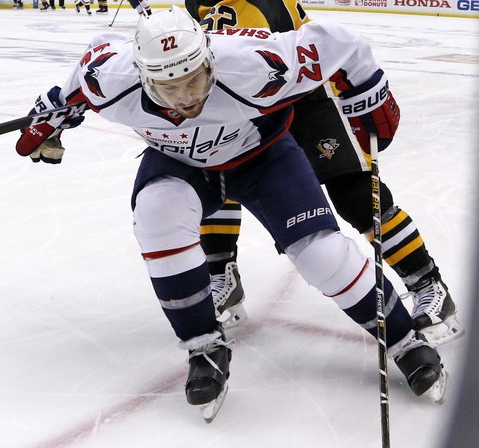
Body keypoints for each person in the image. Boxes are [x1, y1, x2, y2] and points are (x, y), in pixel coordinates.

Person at [15, 7, 447, 419]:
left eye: (195, 79)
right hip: (182, 161)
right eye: (170, 87)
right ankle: (204, 346)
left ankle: (405, 340)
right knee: (155, 216)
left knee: (323, 255)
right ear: (143, 76)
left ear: (209, 57)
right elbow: (72, 88)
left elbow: (344, 43)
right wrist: (49, 121)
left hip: (262, 156)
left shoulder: (258, 64)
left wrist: (368, 97)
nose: (186, 98)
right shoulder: (109, 75)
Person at [186, 0, 464, 345]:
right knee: (217, 175)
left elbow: (303, 49)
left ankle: (427, 283)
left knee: (354, 192)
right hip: (242, 104)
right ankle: (222, 275)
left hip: (305, 97)